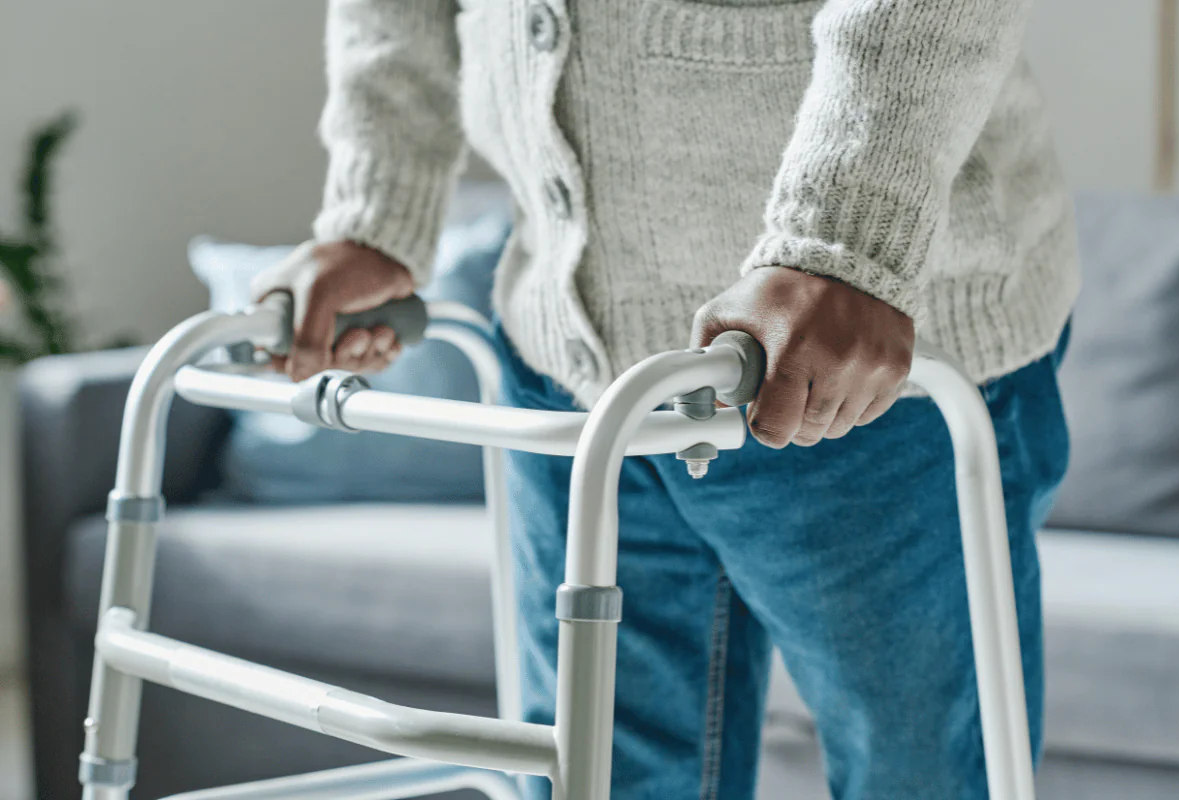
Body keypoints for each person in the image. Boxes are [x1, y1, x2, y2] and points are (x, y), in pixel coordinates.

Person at [253, 2, 1078, 797]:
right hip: (570, 372)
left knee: (921, 779)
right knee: (598, 779)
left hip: (859, 369)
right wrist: (373, 216)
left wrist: (846, 237)